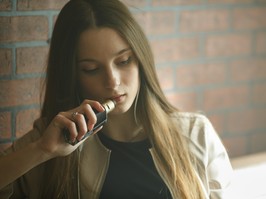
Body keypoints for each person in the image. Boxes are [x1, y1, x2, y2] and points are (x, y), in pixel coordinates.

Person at [0, 0, 233, 198]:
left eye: (124, 61)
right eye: (91, 69)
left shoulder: (195, 134)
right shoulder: (50, 139)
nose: (112, 82)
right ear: (72, 75)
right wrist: (42, 151)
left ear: (141, 60)